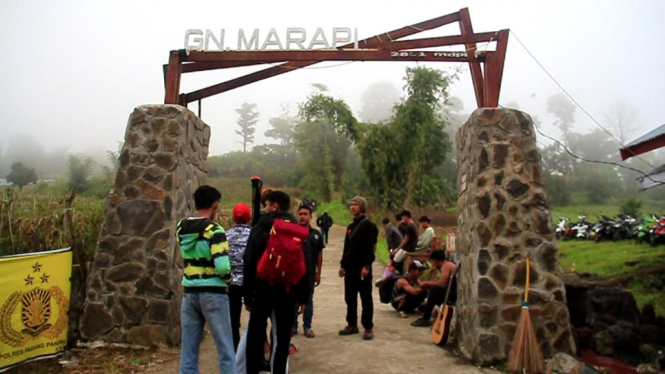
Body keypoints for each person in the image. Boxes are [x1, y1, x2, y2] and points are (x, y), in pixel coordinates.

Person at [243, 190, 310, 374]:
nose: (264, 208)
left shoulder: (259, 227)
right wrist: (304, 298)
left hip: (263, 288)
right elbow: (306, 264)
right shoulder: (296, 230)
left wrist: (247, 297)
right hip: (289, 290)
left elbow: (248, 263)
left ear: (274, 206)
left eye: (267, 204)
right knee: (281, 339)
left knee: (255, 335)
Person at [177, 185, 236, 374]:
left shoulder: (182, 227)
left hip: (189, 293)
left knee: (189, 350)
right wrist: (228, 279)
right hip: (214, 293)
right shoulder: (215, 230)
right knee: (226, 349)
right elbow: (222, 266)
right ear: (215, 205)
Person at [339, 196, 379, 340]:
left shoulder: (370, 226)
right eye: (351, 204)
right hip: (350, 267)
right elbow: (346, 247)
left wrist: (367, 265)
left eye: (355, 205)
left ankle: (368, 326)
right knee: (350, 297)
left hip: (362, 267)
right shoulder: (350, 226)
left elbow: (371, 248)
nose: (352, 207)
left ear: (362, 207)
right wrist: (342, 265)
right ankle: (352, 324)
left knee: (365, 297)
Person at [293, 205, 325, 338]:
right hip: (294, 273)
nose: (302, 216)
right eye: (300, 214)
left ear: (311, 217)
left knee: (309, 299)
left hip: (310, 273)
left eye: (305, 214)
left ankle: (307, 326)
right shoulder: (293, 232)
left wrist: (318, 273)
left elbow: (319, 254)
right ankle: (293, 326)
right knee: (293, 300)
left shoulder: (316, 235)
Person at [226, 202, 252, 351]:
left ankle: (234, 351)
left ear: (233, 217)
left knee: (233, 321)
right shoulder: (254, 235)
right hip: (250, 284)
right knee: (256, 320)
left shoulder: (225, 236)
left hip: (231, 285)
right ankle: (253, 352)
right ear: (249, 217)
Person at [411, 250, 457, 327]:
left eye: (433, 261)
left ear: (435, 260)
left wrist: (427, 283)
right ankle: (428, 310)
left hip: (452, 295)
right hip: (449, 292)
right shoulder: (446, 265)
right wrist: (427, 284)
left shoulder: (447, 265)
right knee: (432, 291)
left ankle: (426, 318)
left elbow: (442, 283)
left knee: (434, 290)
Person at [376, 217, 404, 286]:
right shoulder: (394, 227)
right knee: (396, 265)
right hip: (400, 248)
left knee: (391, 264)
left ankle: (386, 279)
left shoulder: (389, 229)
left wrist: (391, 252)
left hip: (396, 249)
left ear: (384, 225)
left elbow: (390, 242)